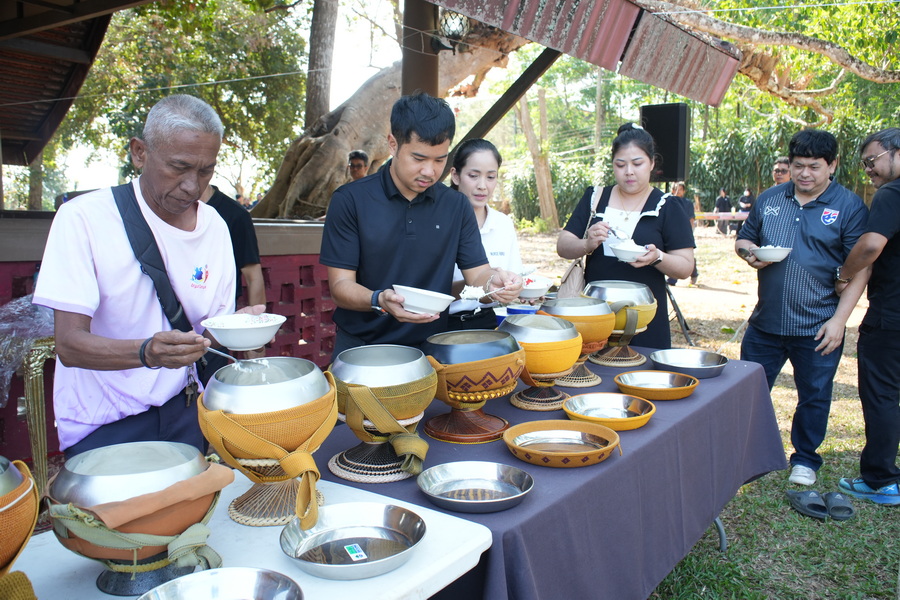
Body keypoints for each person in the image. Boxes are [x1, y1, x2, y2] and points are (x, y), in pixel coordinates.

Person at [32, 94, 265, 458]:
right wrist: (147, 352)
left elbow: (208, 334)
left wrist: (240, 327)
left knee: (193, 497)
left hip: (184, 407)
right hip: (106, 421)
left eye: (206, 171)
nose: (193, 186)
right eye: (179, 167)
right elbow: (70, 344)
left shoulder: (216, 226)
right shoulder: (84, 218)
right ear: (139, 153)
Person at [319, 92, 522, 358]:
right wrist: (379, 300)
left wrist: (495, 282)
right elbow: (340, 287)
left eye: (439, 160)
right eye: (419, 158)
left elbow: (478, 274)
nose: (430, 171)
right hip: (362, 346)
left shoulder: (456, 206)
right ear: (393, 144)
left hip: (431, 346)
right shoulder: (351, 200)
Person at [736, 129, 869, 487]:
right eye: (798, 166)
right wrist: (749, 253)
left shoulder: (849, 206)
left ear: (832, 165)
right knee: (747, 391)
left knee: (814, 395)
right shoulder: (770, 198)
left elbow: (861, 268)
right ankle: (744, 452)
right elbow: (745, 238)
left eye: (814, 166)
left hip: (818, 325)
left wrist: (839, 321)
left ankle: (806, 459)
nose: (804, 174)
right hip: (765, 322)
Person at [556, 122, 695, 350]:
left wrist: (657, 257)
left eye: (637, 163)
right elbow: (563, 245)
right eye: (620, 165)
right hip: (595, 315)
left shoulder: (667, 206)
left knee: (643, 369)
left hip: (644, 318)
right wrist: (587, 243)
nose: (629, 171)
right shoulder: (595, 198)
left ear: (652, 163)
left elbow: (685, 267)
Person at [832, 127, 900, 505]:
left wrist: (844, 274)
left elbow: (871, 244)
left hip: (891, 317)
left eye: (872, 161)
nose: (868, 170)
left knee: (881, 396)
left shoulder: (891, 193)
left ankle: (880, 481)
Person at [447, 139, 523, 330]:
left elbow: (514, 275)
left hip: (489, 321)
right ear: (455, 176)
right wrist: (482, 284)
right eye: (473, 176)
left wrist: (515, 287)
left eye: (490, 177)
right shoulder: (439, 223)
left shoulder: (503, 224)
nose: (482, 186)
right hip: (443, 323)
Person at [201, 184, 267, 357]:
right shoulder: (165, 210)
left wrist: (254, 343)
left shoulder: (234, 214)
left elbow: (253, 276)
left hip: (216, 325)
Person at [666, 181, 699, 286]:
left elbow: (691, 219)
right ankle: (672, 279)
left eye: (680, 189)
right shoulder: (668, 201)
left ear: (684, 191)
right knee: (671, 254)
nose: (678, 191)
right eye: (676, 189)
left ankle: (692, 273)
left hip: (684, 232)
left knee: (684, 255)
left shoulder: (687, 203)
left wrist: (690, 232)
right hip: (670, 230)